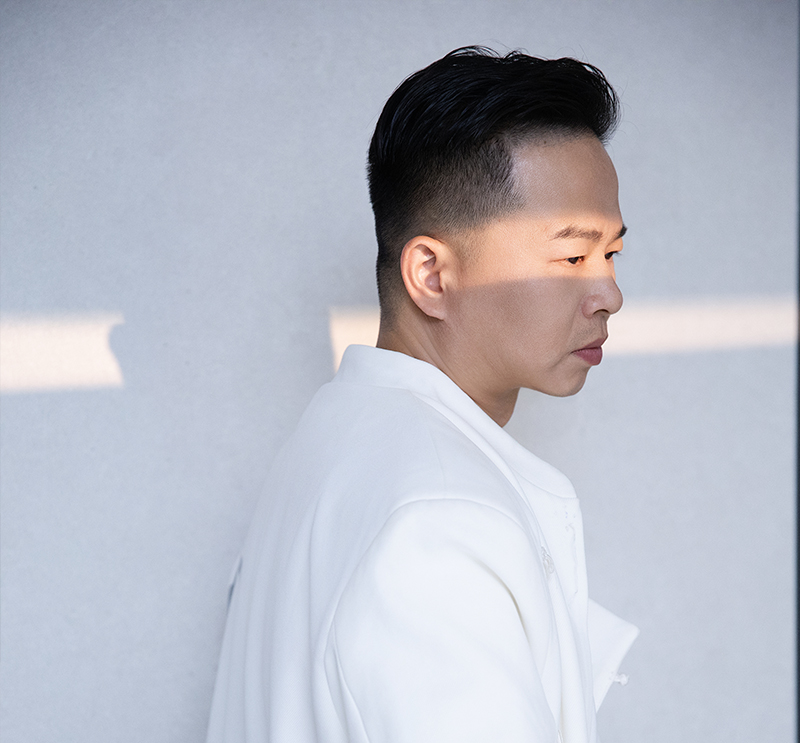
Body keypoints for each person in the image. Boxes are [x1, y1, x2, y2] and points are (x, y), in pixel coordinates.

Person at [206, 46, 638, 743]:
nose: (609, 293)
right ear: (432, 275)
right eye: (572, 255)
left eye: (611, 253)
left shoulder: (330, 444)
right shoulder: (438, 523)